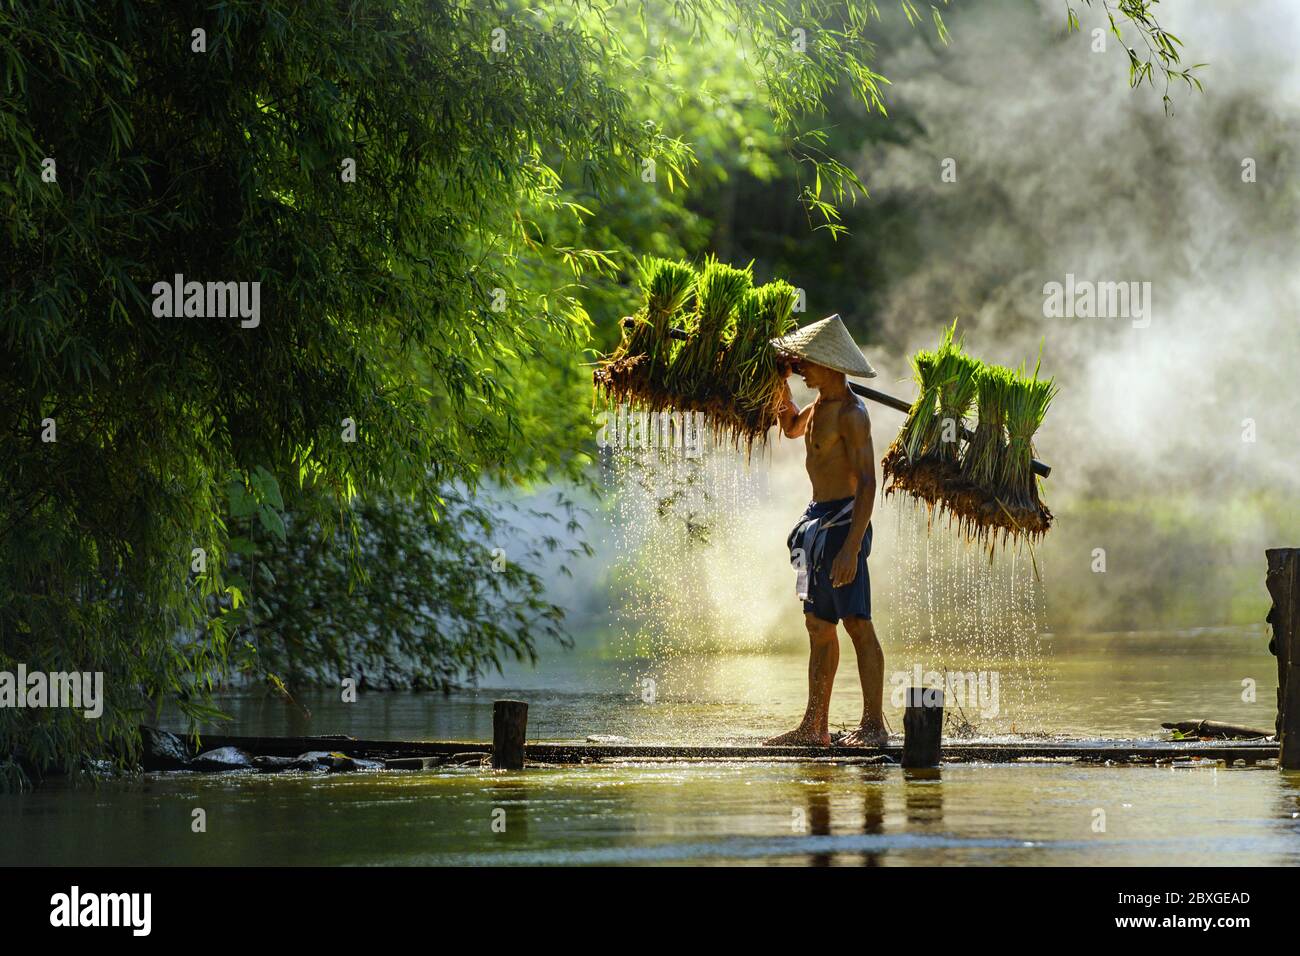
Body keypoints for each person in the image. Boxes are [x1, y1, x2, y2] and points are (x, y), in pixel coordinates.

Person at [761, 315, 888, 748]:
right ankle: (814, 727)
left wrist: (852, 547)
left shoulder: (853, 414)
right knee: (818, 624)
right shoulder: (819, 407)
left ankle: (874, 725)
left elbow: (869, 482)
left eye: (807, 363)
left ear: (831, 365)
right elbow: (791, 426)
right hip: (817, 523)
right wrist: (779, 382)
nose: (801, 368)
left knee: (857, 622)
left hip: (843, 524)